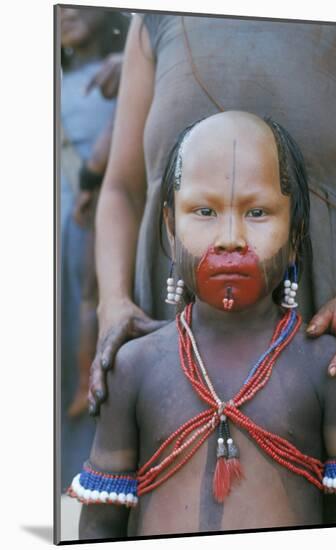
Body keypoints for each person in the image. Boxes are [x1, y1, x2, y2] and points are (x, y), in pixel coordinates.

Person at [68, 112, 336, 538]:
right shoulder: (133, 368)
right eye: (204, 211)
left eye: (257, 212)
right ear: (169, 225)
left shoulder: (327, 368)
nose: (230, 238)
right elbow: (100, 524)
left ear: (295, 237)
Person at [88, 14, 336, 420]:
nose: (231, 238)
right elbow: (122, 191)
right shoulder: (155, 17)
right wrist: (112, 301)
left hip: (313, 338)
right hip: (163, 332)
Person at [60, 6, 128, 490]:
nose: (66, 10)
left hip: (94, 223)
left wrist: (134, 62)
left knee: (92, 310)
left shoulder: (125, 72)